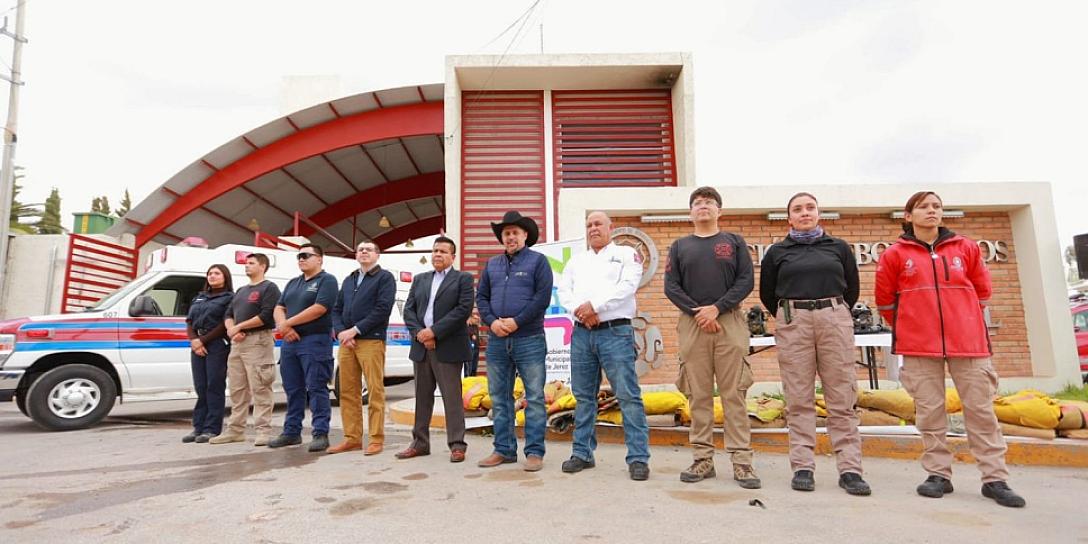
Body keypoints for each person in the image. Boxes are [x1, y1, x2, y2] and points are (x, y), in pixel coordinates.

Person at [875, 191, 1026, 508]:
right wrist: (914, 321)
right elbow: (886, 302)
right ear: (908, 216)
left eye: (936, 206)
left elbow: (982, 291)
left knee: (981, 411)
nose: (931, 211)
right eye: (923, 207)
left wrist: (961, 317)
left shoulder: (966, 248)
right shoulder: (895, 255)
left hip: (968, 344)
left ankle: (995, 478)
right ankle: (938, 474)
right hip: (919, 345)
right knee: (929, 412)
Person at [759, 192, 870, 496]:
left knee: (841, 396)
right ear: (789, 218)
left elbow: (852, 288)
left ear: (819, 213)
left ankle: (850, 469)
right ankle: (803, 466)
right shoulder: (777, 252)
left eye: (810, 208)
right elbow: (768, 293)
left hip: (834, 317)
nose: (804, 213)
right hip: (794, 320)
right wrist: (793, 314)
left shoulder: (838, 248)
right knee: (799, 396)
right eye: (798, 209)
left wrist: (831, 311)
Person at [664, 186, 760, 488]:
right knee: (699, 395)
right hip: (693, 325)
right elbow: (671, 286)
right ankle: (702, 459)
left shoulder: (733, 242)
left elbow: (746, 280)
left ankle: (742, 462)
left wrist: (717, 308)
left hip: (729, 321)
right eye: (697, 203)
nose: (702, 206)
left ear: (720, 210)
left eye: (709, 202)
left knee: (734, 394)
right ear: (690, 212)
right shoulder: (680, 246)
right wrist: (698, 312)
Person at [558, 211, 651, 481]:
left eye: (598, 224)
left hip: (615, 332)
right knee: (584, 396)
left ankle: (638, 458)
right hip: (582, 333)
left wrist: (595, 307)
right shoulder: (577, 261)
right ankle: (582, 453)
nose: (593, 228)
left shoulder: (625, 255)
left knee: (628, 396)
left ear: (611, 228)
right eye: (588, 225)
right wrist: (580, 310)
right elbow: (565, 291)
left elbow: (627, 286)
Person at [475, 210, 553, 472]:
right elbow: (482, 298)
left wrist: (517, 321)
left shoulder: (538, 262)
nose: (510, 237)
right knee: (499, 397)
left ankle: (534, 453)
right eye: (506, 233)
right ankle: (504, 450)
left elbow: (542, 298)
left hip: (529, 338)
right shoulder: (492, 264)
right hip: (497, 340)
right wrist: (493, 322)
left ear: (525, 235)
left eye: (514, 233)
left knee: (534, 397)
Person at [396, 236, 475, 463]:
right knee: (422, 397)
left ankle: (457, 445)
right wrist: (421, 333)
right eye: (434, 251)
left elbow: (462, 310)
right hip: (421, 347)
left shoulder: (463, 279)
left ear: (453, 256)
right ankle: (420, 443)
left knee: (451, 398)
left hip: (448, 347)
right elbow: (408, 310)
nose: (437, 255)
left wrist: (434, 332)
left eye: (442, 251)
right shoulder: (420, 279)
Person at [269, 243, 339, 453]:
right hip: (290, 343)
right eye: (299, 256)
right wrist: (284, 326)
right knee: (293, 389)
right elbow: (279, 307)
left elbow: (319, 308)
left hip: (315, 341)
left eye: (306, 255)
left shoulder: (327, 281)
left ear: (319, 259)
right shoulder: (293, 283)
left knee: (317, 388)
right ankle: (291, 432)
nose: (301, 259)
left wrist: (288, 323)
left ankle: (320, 433)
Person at [328, 241, 396, 456]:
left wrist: (355, 330)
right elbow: (336, 309)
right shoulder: (349, 280)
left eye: (369, 249)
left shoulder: (384, 278)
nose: (364, 251)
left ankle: (376, 439)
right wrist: (341, 332)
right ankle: (352, 438)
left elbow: (382, 309)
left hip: (371, 340)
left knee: (375, 390)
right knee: (347, 392)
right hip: (347, 343)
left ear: (378, 254)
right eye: (360, 249)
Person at [211, 253, 281, 446]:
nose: (247, 266)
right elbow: (228, 314)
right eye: (246, 263)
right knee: (237, 389)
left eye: (251, 263)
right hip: (238, 343)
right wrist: (233, 330)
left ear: (263, 266)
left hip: (258, 342)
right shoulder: (241, 291)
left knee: (260, 387)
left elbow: (267, 316)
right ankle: (235, 430)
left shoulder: (269, 288)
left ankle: (263, 431)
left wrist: (240, 327)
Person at [183, 264, 234, 444]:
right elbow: (189, 321)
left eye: (217, 273)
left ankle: (212, 428)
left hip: (217, 344)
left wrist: (202, 341)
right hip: (197, 344)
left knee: (214, 385)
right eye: (210, 273)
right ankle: (198, 427)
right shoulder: (199, 297)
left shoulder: (229, 298)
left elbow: (224, 324)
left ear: (225, 277)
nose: (212, 276)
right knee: (201, 386)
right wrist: (194, 340)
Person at [464, 307, 481, 378]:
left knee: (474, 362)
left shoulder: (475, 326)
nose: (477, 320)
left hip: (475, 345)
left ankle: (473, 374)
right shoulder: (467, 326)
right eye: (475, 319)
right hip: (470, 345)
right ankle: (469, 375)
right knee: (470, 362)